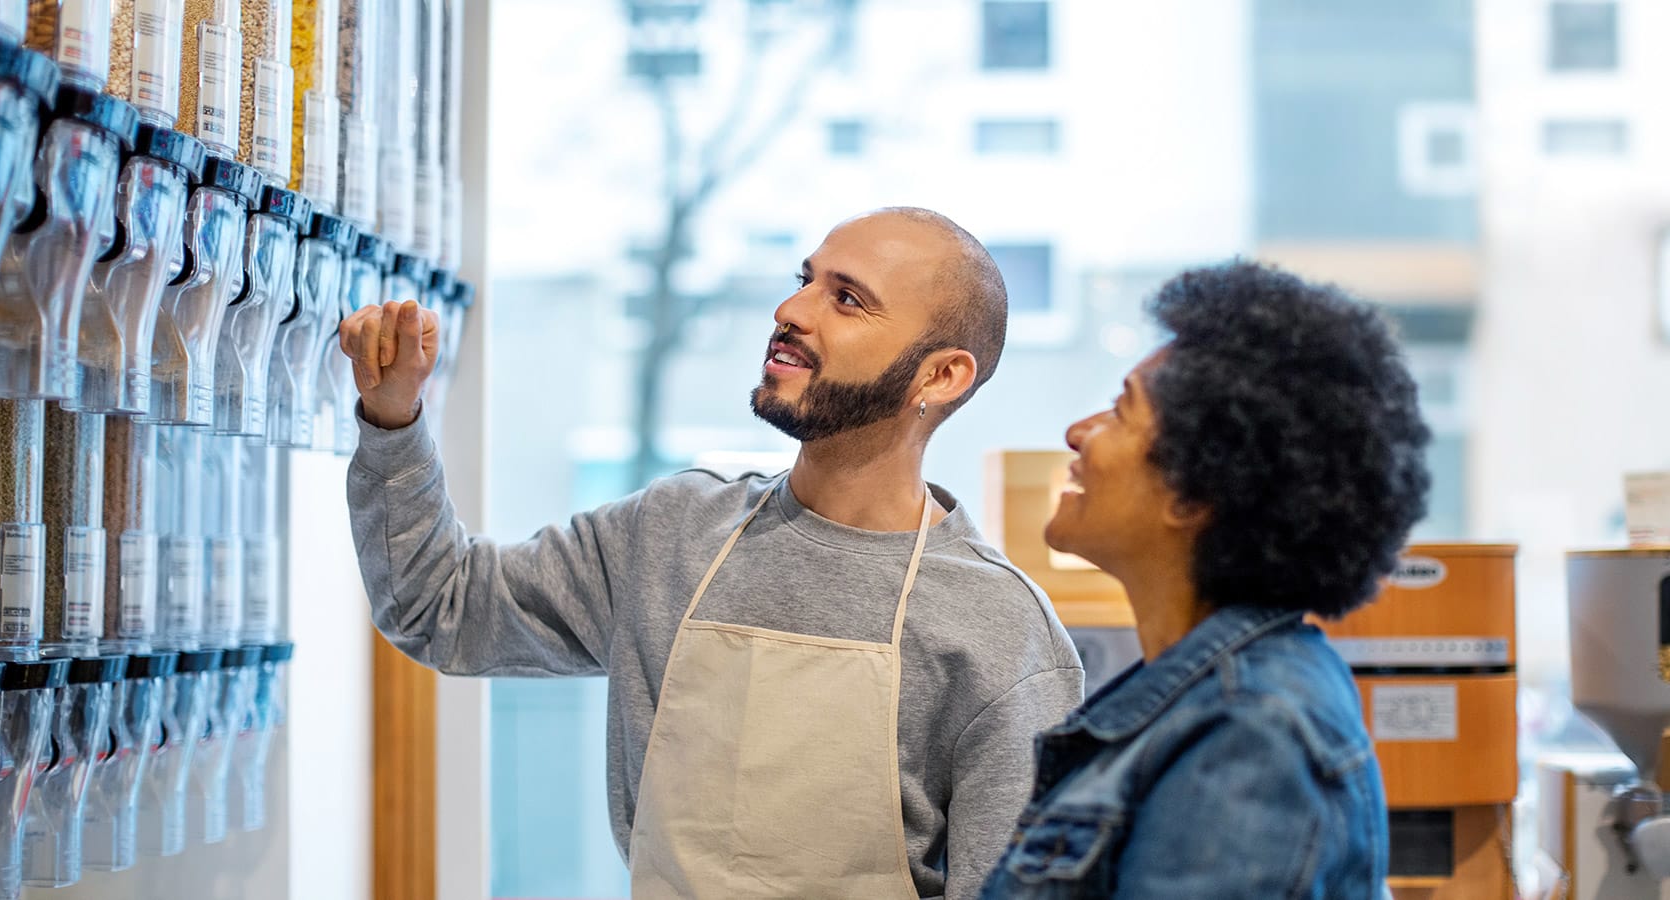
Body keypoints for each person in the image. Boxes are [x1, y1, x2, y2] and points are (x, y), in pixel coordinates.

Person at [341, 207, 1085, 899]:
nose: (790, 312)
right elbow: (437, 605)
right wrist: (392, 416)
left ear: (942, 375)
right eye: (805, 282)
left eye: (848, 299)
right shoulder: (671, 534)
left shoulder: (1000, 631)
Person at [981, 260, 1430, 898]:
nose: (1078, 433)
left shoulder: (1248, 731)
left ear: (1193, 493)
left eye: (1119, 412)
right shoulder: (1217, 700)